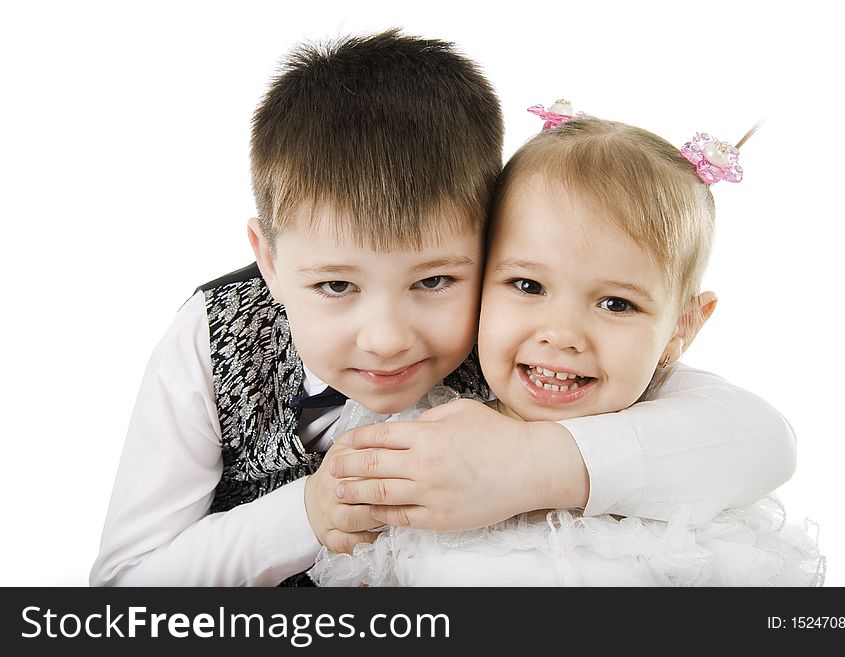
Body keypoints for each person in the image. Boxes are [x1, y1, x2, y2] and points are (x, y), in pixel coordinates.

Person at [90, 30, 795, 587]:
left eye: (434, 281)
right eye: (336, 285)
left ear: (491, 243)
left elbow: (761, 439)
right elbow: (124, 587)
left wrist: (532, 461)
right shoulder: (210, 339)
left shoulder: (532, 343)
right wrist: (308, 513)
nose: (388, 338)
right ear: (270, 258)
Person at [308, 112, 824, 586]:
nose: (562, 334)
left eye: (617, 304)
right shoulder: (433, 420)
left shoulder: (673, 405)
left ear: (680, 328)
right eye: (528, 286)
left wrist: (530, 462)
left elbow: (770, 441)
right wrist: (329, 507)